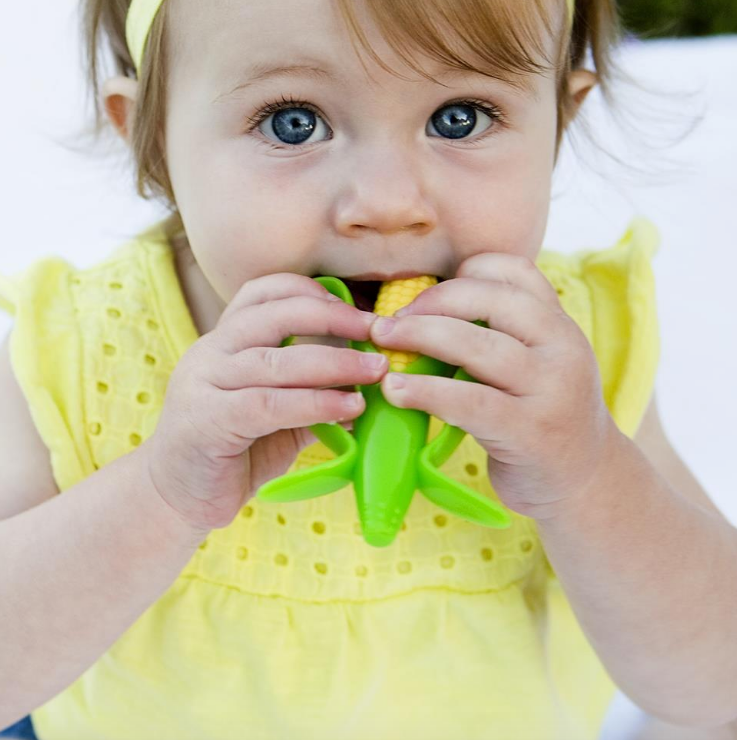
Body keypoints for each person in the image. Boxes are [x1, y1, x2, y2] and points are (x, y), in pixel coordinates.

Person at [1, 0, 736, 737]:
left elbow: (713, 690)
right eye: (293, 121)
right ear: (152, 143)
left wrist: (588, 476)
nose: (387, 205)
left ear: (558, 124)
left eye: (460, 116)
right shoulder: (75, 348)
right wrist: (162, 493)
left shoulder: (573, 358)